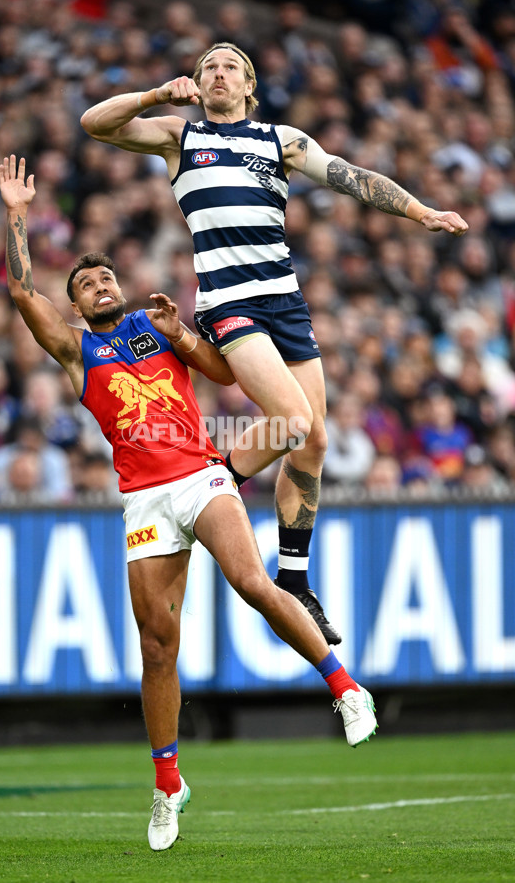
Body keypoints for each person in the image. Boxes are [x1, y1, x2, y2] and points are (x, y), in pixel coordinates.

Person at [0, 155, 378, 852]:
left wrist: (183, 335)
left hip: (199, 476)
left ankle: (347, 688)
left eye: (105, 275)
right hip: (142, 500)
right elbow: (24, 295)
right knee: (157, 649)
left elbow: (225, 373)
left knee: (250, 581)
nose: (99, 284)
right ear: (78, 306)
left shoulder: (157, 325)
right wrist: (18, 216)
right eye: (85, 283)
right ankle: (167, 785)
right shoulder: (79, 350)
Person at [79, 41, 470, 645]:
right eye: (208, 65)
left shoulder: (279, 141)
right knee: (289, 420)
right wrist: (158, 93)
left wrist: (421, 212)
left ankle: (293, 578)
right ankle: (216, 481)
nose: (216, 73)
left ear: (249, 84)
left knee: (314, 437)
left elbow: (351, 176)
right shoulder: (179, 138)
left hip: (285, 302)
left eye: (229, 65)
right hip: (229, 303)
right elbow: (95, 124)